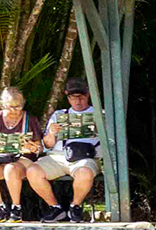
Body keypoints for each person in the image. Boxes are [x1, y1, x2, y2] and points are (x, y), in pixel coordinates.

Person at [37, 81, 108, 220]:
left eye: (81, 97)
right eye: (73, 97)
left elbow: (110, 141)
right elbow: (47, 144)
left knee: (85, 173)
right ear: (67, 97)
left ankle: (75, 207)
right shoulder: (59, 115)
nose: (78, 101)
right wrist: (51, 133)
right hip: (59, 157)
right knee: (33, 171)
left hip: (85, 158)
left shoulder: (100, 114)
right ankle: (55, 208)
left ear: (87, 95)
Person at [0, 86, 43, 218]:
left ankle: (16, 207)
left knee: (10, 169)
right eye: (10, 106)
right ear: (2, 105)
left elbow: (40, 147)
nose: (14, 110)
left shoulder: (30, 119)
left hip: (21, 160)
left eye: (17, 106)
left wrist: (34, 148)